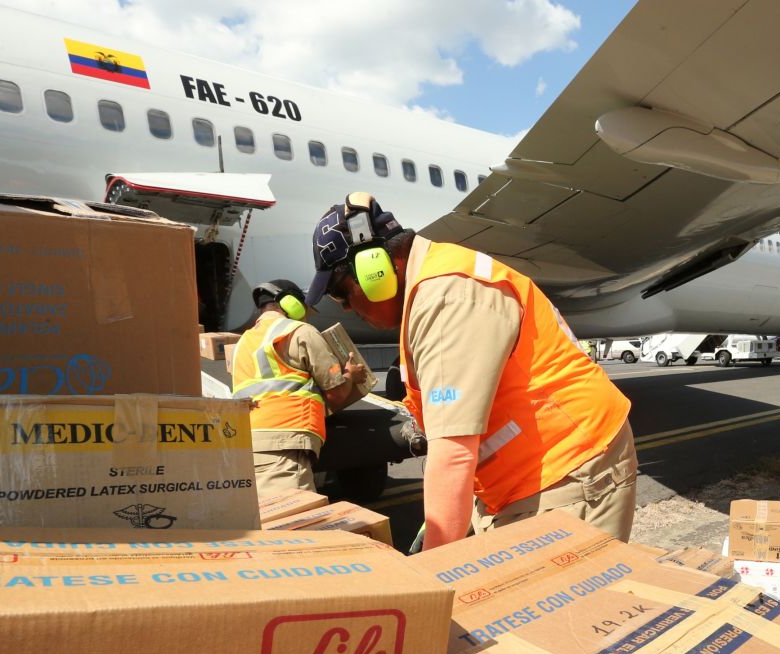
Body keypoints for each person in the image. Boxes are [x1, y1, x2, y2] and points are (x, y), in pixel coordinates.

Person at [305, 192, 637, 551]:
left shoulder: (446, 297)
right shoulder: (431, 286)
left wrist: (433, 573)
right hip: (526, 473)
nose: (346, 308)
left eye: (341, 293)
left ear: (376, 269)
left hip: (569, 467)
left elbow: (454, 455)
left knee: (543, 601)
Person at [232, 279, 368, 497]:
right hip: (285, 443)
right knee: (292, 523)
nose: (305, 314)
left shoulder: (242, 343)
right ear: (290, 302)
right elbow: (336, 393)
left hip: (248, 443)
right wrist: (351, 376)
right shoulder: (300, 331)